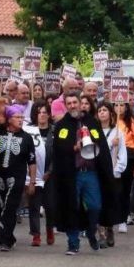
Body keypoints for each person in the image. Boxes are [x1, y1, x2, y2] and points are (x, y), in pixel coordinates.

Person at [52, 92, 117, 255]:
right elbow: (58, 148)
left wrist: (93, 144)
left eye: (75, 102)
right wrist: (73, 148)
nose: (73, 105)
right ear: (66, 105)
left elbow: (101, 143)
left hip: (91, 172)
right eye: (69, 103)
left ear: (81, 103)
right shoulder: (62, 125)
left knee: (96, 205)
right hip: (71, 174)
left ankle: (90, 229)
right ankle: (73, 244)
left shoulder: (92, 122)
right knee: (71, 208)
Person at [0, 104, 36, 251]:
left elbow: (32, 161)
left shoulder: (27, 138)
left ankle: (4, 241)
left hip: (17, 178)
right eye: (17, 117)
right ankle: (9, 237)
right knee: (0, 208)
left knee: (10, 208)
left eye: (22, 117)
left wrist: (32, 182)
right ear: (9, 119)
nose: (21, 120)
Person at [96, 102, 127, 248]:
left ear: (110, 113)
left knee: (110, 203)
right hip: (97, 173)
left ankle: (109, 229)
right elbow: (96, 152)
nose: (102, 113)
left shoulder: (117, 132)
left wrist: (117, 170)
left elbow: (122, 154)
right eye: (100, 110)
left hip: (112, 173)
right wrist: (109, 145)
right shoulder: (94, 132)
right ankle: (100, 233)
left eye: (105, 110)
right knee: (98, 203)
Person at [28, 101, 55, 246]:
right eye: (39, 112)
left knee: (50, 205)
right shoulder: (30, 131)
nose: (42, 115)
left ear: (49, 114)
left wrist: (50, 171)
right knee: (34, 205)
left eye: (45, 112)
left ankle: (50, 230)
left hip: (50, 175)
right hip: (34, 174)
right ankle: (36, 234)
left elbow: (58, 154)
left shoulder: (55, 131)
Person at [115, 101, 134, 230]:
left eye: (122, 105)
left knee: (125, 188)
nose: (119, 108)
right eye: (116, 105)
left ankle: (124, 216)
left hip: (130, 156)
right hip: (113, 156)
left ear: (127, 107)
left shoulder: (133, 121)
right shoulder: (110, 121)